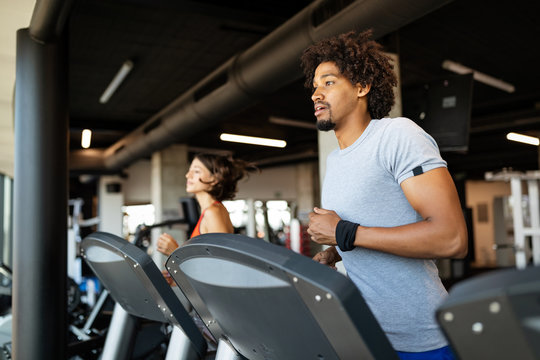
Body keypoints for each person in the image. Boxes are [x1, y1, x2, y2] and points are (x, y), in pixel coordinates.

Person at [301, 30, 467, 360]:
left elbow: (451, 238)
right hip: (362, 332)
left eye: (329, 82)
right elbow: (376, 225)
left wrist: (343, 233)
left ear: (362, 87)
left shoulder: (397, 135)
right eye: (315, 85)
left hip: (420, 338)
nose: (316, 94)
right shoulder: (335, 160)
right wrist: (335, 253)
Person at [156, 153, 257, 258]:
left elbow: (221, 262)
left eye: (196, 171)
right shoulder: (213, 210)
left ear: (214, 179)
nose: (188, 175)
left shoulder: (213, 212)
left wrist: (175, 253)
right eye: (189, 170)